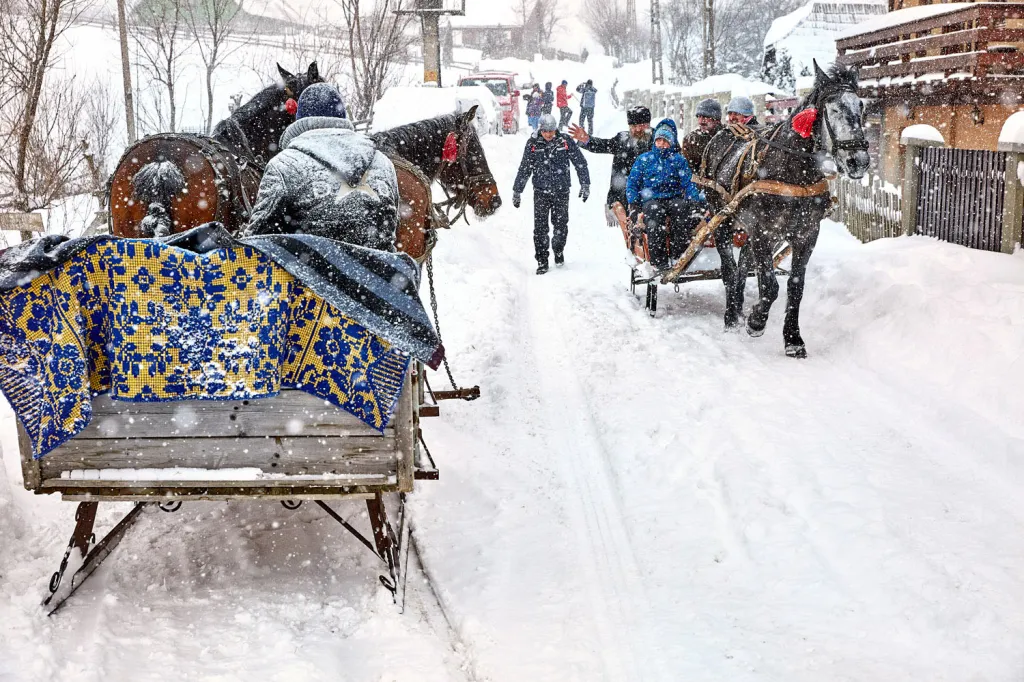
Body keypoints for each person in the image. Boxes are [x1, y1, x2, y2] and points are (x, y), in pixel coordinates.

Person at [239, 83, 398, 250]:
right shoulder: (383, 162)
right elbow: (392, 228)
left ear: (299, 119)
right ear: (342, 117)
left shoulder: (284, 165)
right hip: (379, 274)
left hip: (305, 273)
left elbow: (256, 240)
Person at [512, 114, 590, 275]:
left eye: (552, 131)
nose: (549, 134)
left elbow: (580, 162)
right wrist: (517, 191)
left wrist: (585, 183)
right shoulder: (533, 144)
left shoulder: (565, 142)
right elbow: (525, 168)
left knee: (560, 225)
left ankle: (558, 249)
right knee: (540, 228)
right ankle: (542, 260)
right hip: (541, 192)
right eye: (546, 131)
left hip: (561, 191)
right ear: (540, 129)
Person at [625, 118, 705, 270]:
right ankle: (658, 259)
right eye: (659, 140)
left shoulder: (678, 160)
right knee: (654, 213)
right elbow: (632, 184)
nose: (661, 144)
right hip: (651, 199)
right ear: (654, 141)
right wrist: (634, 203)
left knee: (680, 208)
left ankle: (678, 255)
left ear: (671, 143)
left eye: (665, 141)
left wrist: (694, 201)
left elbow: (688, 183)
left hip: (673, 197)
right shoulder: (644, 159)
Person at [569, 105, 652, 225]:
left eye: (642, 125)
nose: (638, 129)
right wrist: (587, 139)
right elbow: (604, 145)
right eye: (634, 126)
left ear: (648, 124)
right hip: (625, 192)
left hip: (651, 191)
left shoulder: (658, 139)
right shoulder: (622, 139)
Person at [680, 98, 723, 172]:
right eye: (699, 116)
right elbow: (686, 170)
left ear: (717, 119)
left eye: (705, 117)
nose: (701, 121)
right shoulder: (690, 140)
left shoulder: (728, 136)